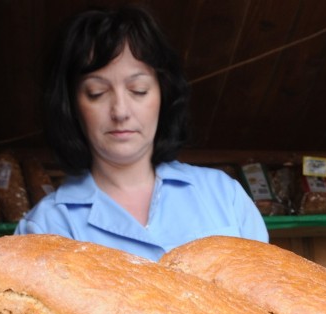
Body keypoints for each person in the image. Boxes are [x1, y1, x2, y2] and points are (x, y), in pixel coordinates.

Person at [15, 6, 268, 260]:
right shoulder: (44, 228)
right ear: (72, 106)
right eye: (96, 93)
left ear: (163, 94)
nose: (120, 111)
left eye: (138, 90)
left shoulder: (224, 195)